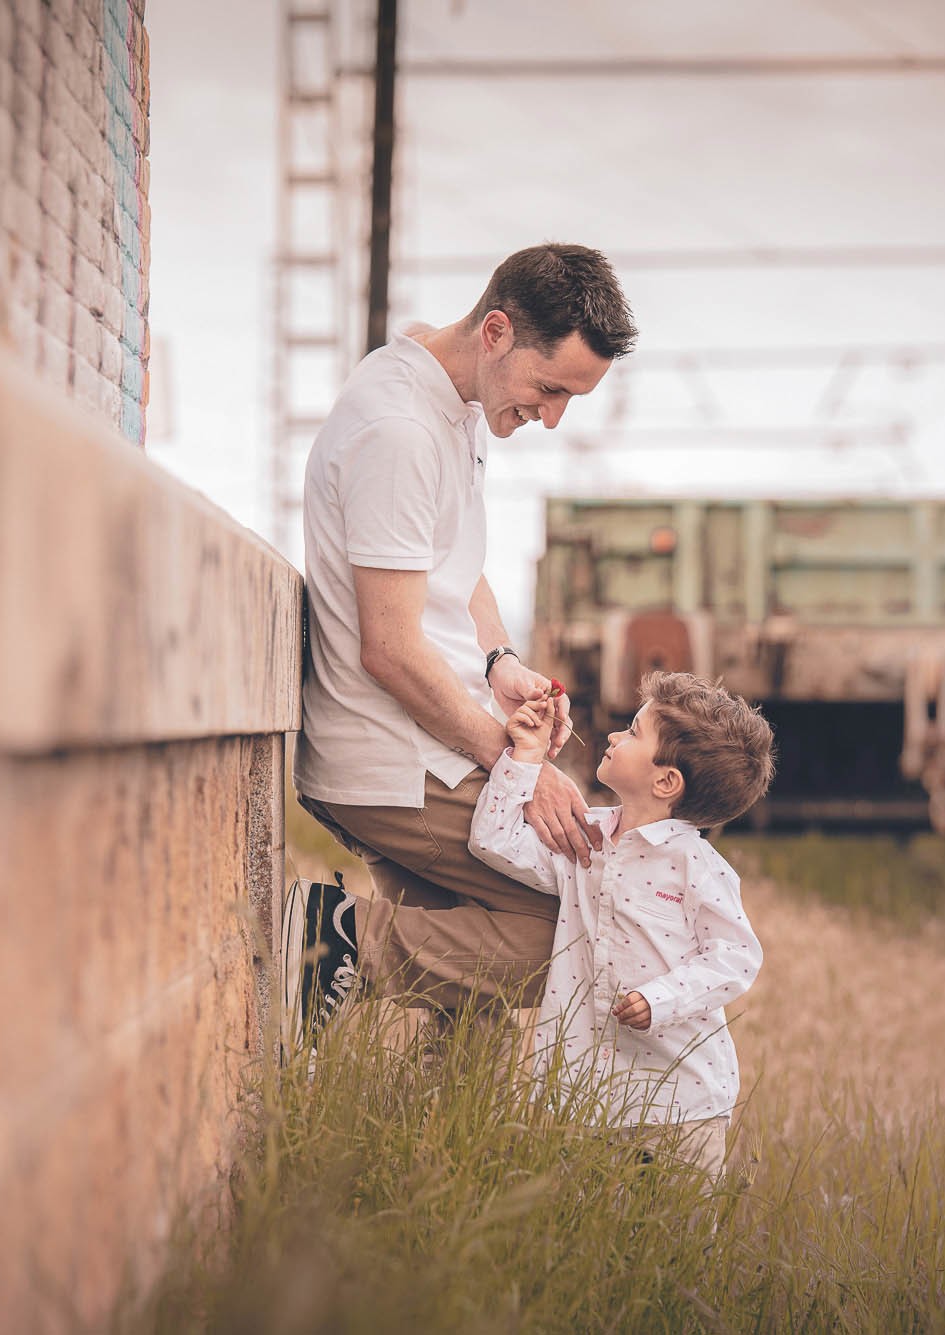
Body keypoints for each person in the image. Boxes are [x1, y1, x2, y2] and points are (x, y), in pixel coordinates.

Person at [286, 243, 638, 1033]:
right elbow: (391, 648)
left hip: (424, 743)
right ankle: (335, 941)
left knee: (473, 991)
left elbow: (451, 560)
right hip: (394, 761)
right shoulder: (401, 430)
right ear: (496, 333)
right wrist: (519, 768)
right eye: (550, 389)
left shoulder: (452, 392)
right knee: (582, 929)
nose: (552, 417)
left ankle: (429, 1149)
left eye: (571, 399)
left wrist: (499, 661)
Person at [468, 671, 775, 1175]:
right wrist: (525, 755)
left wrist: (660, 999)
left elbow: (735, 958)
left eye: (633, 731)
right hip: (584, 1099)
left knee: (678, 1243)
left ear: (665, 781)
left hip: (681, 1106)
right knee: (588, 1238)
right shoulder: (586, 841)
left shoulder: (697, 866)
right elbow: (494, 841)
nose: (613, 736)